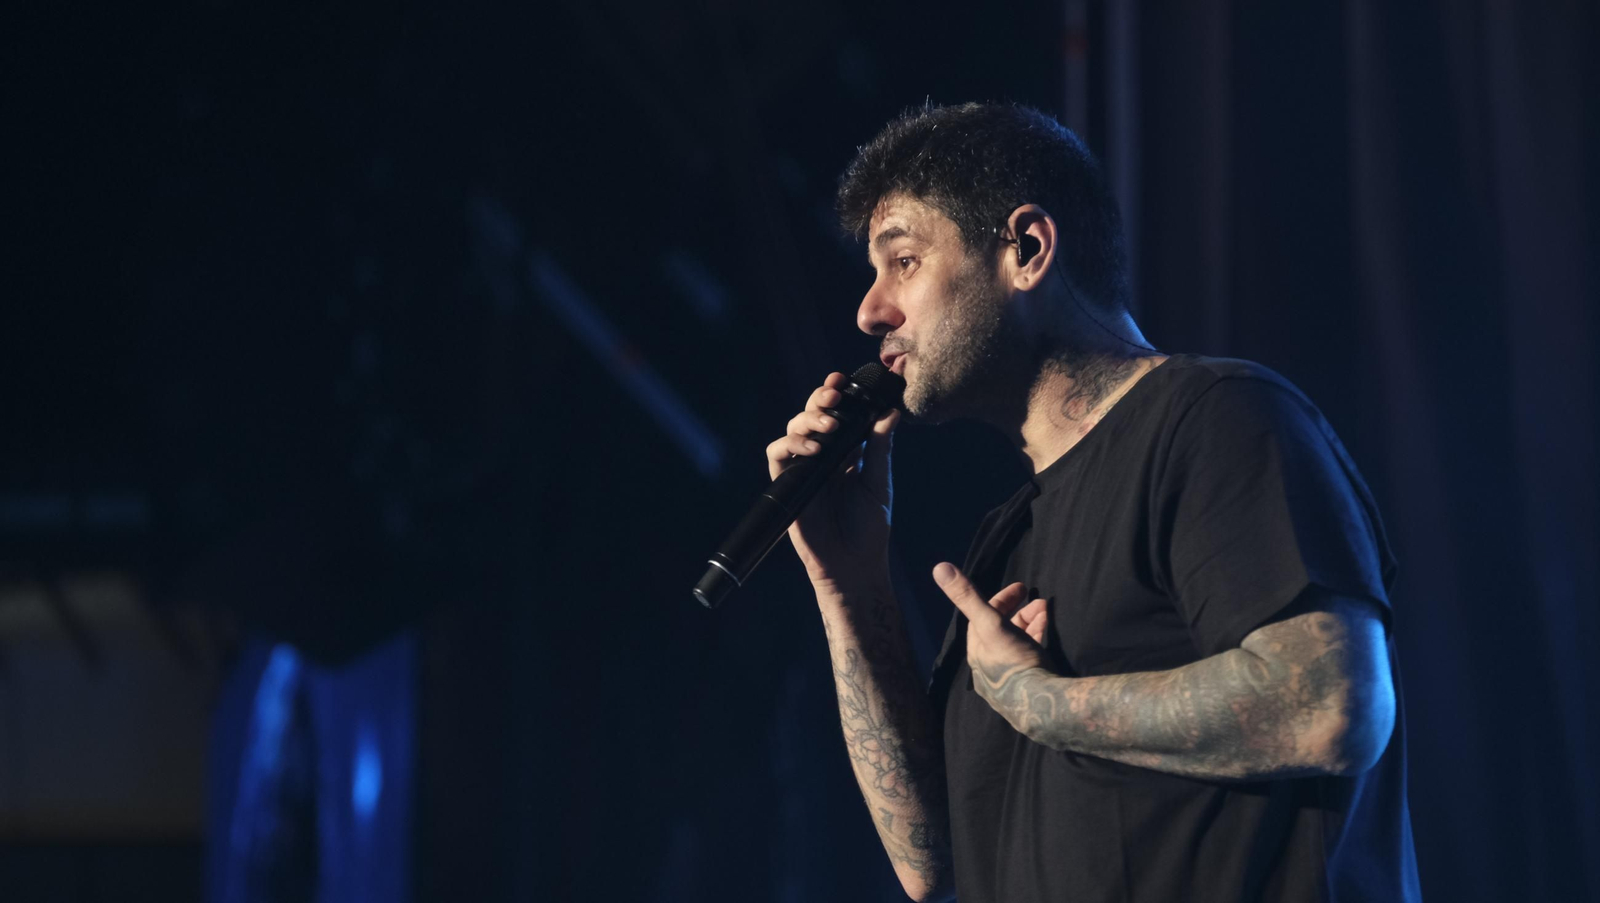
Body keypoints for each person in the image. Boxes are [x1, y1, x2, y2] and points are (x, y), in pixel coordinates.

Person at [767, 102, 1421, 902]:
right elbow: (929, 859)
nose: (871, 310)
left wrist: (1047, 704)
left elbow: (1332, 703)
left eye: (902, 260)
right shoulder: (1006, 542)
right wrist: (850, 579)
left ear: (1028, 249)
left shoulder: (1215, 416)